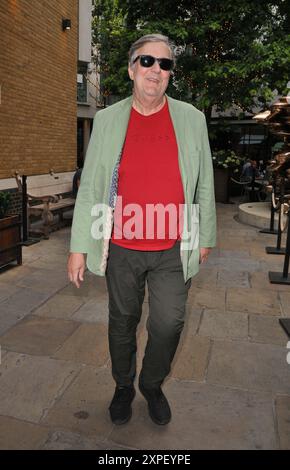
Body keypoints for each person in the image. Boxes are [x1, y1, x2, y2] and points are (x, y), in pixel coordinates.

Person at [67, 34, 216, 426]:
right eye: (147, 61)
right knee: (122, 323)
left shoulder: (192, 119)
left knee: (169, 322)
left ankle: (151, 384)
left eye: (164, 64)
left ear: (170, 74)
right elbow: (93, 187)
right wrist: (79, 246)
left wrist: (205, 237)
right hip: (121, 244)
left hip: (172, 245)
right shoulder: (106, 119)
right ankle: (122, 386)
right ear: (132, 68)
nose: (156, 70)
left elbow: (205, 184)